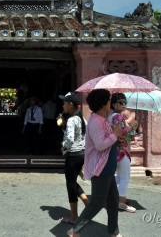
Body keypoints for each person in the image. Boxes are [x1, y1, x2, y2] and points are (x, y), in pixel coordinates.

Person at [67, 89, 123, 237]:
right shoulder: (96, 122)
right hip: (101, 167)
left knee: (113, 200)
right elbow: (100, 144)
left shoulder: (101, 119)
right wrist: (115, 135)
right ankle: (74, 230)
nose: (110, 102)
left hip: (108, 166)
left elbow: (107, 140)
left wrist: (117, 139)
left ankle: (114, 231)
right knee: (98, 201)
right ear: (104, 103)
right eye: (109, 100)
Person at [58, 92, 89, 225]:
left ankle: (74, 217)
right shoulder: (81, 118)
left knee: (70, 185)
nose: (63, 105)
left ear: (70, 104)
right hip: (81, 154)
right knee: (72, 182)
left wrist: (63, 146)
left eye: (64, 102)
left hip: (72, 155)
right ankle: (88, 205)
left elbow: (70, 139)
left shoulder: (71, 120)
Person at [108, 93, 138, 213]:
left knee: (118, 176)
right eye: (121, 102)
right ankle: (121, 201)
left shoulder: (110, 116)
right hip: (122, 150)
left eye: (125, 101)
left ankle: (111, 196)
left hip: (114, 149)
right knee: (125, 177)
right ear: (114, 103)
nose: (124, 104)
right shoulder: (118, 117)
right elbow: (123, 133)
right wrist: (133, 127)